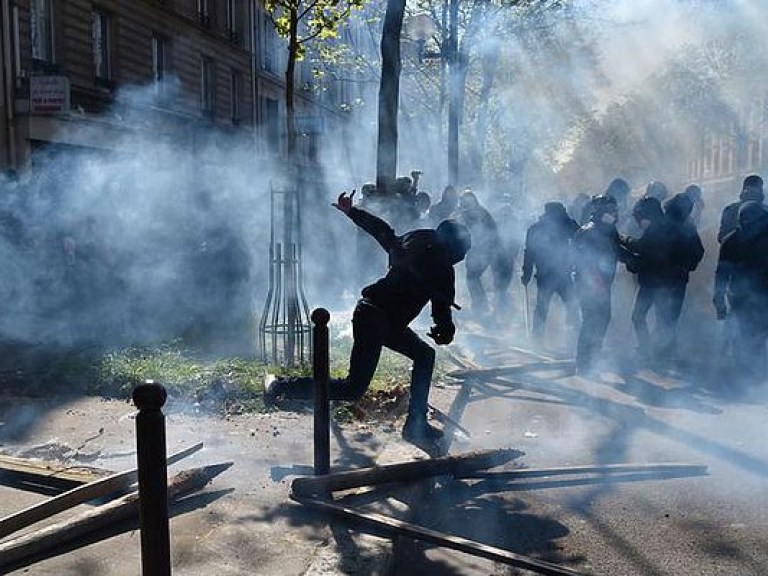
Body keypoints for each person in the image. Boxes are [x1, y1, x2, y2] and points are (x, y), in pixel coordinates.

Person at [265, 191, 472, 447]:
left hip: (380, 317)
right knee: (353, 388)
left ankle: (415, 424)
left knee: (423, 355)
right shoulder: (442, 266)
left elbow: (381, 231)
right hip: (375, 319)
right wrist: (446, 331)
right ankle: (280, 386)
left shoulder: (411, 243)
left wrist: (352, 212)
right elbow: (442, 313)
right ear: (455, 248)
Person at [572, 194, 631, 375]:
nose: (613, 213)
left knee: (602, 321)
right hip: (589, 285)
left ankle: (592, 360)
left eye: (614, 210)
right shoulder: (588, 231)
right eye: (609, 210)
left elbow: (618, 251)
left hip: (603, 285)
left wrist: (638, 260)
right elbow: (583, 261)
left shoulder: (609, 231)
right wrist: (596, 282)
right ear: (598, 211)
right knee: (591, 322)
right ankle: (583, 364)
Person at [713, 201, 768, 386]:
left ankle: (747, 373)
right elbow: (721, 272)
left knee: (746, 335)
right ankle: (750, 374)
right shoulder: (732, 240)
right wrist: (719, 299)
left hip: (743, 297)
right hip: (748, 298)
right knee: (753, 337)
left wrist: (719, 299)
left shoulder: (731, 239)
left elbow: (721, 273)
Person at [520, 202, 579, 338]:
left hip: (549, 274)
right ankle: (576, 333)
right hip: (557, 273)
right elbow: (530, 252)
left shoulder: (536, 228)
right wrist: (526, 274)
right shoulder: (563, 226)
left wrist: (526, 274)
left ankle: (537, 336)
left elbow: (529, 254)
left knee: (544, 306)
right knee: (569, 303)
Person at [455, 190, 501, 319]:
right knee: (472, 278)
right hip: (476, 251)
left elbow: (490, 232)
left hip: (482, 250)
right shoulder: (472, 213)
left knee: (472, 278)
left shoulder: (478, 213)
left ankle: (480, 306)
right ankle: (480, 306)